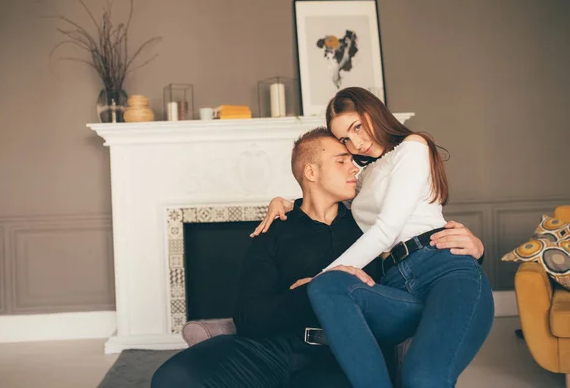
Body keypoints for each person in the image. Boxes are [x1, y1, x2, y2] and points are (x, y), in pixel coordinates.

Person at [151, 127, 486, 388]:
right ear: (310, 172)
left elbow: (418, 268)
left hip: (341, 356)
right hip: (272, 348)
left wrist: (473, 247)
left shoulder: (371, 229)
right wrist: (310, 291)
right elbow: (249, 316)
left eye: (353, 159)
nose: (353, 167)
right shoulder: (276, 229)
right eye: (341, 160)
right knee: (174, 378)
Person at [254, 87, 494, 388]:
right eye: (345, 139)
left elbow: (388, 229)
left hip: (443, 271)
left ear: (374, 112)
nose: (356, 143)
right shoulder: (364, 176)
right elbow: (324, 194)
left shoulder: (412, 147)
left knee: (421, 378)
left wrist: (478, 248)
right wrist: (289, 202)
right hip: (395, 285)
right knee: (328, 287)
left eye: (357, 127)